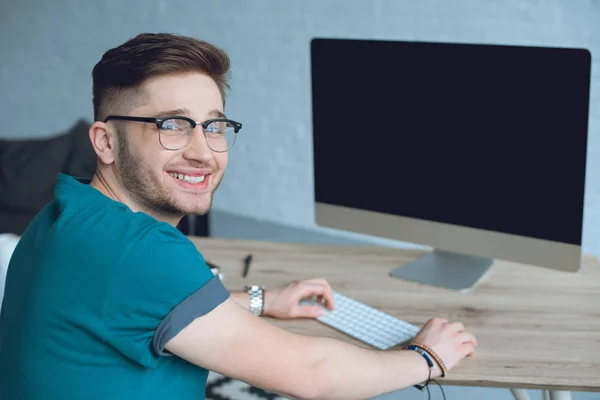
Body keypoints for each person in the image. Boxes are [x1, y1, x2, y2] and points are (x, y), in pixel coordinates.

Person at [0, 33, 477, 400]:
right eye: (172, 125)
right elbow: (312, 375)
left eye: (214, 126)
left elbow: (137, 309)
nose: (203, 151)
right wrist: (425, 357)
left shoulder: (66, 213)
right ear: (105, 142)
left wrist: (259, 300)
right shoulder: (141, 253)